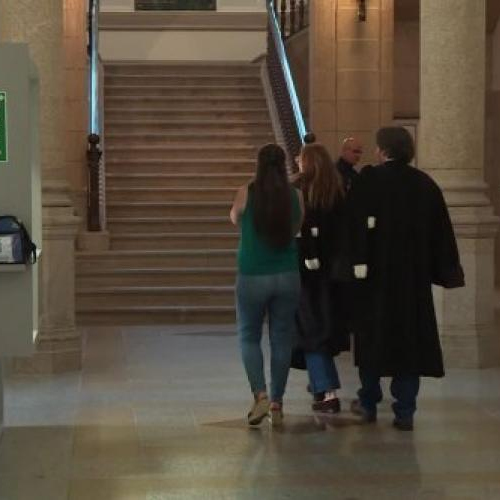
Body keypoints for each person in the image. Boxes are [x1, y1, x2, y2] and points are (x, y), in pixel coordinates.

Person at [348, 126, 465, 431]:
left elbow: (353, 227)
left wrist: (350, 269)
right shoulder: (424, 184)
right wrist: (444, 270)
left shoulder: (368, 181)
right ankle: (405, 410)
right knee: (409, 341)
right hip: (413, 281)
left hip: (373, 280)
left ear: (383, 150)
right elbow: (441, 233)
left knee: (372, 340)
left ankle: (368, 402)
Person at [230, 143, 304, 427]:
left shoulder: (247, 192)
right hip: (287, 274)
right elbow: (296, 227)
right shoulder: (295, 195)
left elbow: (234, 218)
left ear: (259, 164)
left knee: (249, 336)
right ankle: (277, 402)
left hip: (252, 273)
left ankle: (260, 395)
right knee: (281, 339)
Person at [292, 143, 350, 413]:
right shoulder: (337, 191)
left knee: (310, 330)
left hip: (305, 272)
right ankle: (320, 386)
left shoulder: (299, 190)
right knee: (320, 328)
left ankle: (326, 390)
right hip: (333, 272)